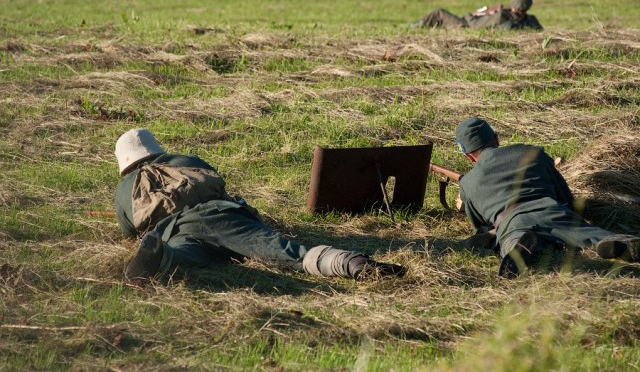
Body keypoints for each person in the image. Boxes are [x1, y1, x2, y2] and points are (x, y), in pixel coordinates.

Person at [114, 129, 406, 282]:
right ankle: (349, 263)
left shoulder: (125, 188)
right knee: (285, 250)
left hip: (175, 231)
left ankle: (160, 255)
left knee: (181, 256)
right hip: (222, 215)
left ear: (125, 164)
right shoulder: (187, 160)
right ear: (156, 148)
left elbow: (129, 230)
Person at [453, 117, 640, 278]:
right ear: (496, 138)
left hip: (512, 222)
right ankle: (616, 242)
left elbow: (482, 227)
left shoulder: (468, 183)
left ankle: (523, 250)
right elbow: (566, 197)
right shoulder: (532, 152)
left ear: (468, 156)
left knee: (513, 242)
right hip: (551, 209)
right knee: (591, 234)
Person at [412, 0, 543, 31]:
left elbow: (474, 25)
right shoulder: (531, 20)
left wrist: (470, 14)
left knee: (439, 12)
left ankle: (416, 26)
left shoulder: (502, 16)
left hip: (465, 25)